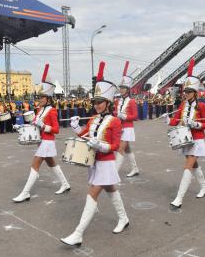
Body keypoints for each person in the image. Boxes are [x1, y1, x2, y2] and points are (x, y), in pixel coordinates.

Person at [62, 62, 129, 246]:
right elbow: (84, 135)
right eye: (95, 102)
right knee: (111, 190)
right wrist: (76, 126)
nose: (97, 105)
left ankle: (78, 233)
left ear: (108, 102)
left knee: (92, 194)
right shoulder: (92, 119)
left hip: (106, 162)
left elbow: (115, 146)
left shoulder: (115, 121)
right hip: (94, 162)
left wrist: (100, 145)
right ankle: (123, 218)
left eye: (100, 102)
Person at [13, 64, 70, 202]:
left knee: (35, 165)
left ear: (48, 98)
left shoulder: (52, 111)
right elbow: (35, 125)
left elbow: (56, 129)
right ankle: (65, 184)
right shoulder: (40, 110)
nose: (39, 98)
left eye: (42, 96)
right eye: (39, 96)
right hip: (42, 141)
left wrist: (44, 125)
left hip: (47, 142)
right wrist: (21, 127)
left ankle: (26, 192)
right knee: (52, 164)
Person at [162, 59, 205, 208]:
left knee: (187, 166)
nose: (186, 94)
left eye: (189, 92)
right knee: (194, 164)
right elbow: (176, 120)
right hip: (185, 139)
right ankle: (204, 188)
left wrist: (196, 124)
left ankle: (179, 198)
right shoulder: (182, 104)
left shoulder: (201, 105)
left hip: (197, 139)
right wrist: (168, 120)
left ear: (195, 92)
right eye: (185, 91)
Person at [114, 62, 140, 177]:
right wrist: (115, 114)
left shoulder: (132, 101)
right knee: (127, 149)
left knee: (120, 149)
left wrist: (125, 116)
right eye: (121, 87)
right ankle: (135, 168)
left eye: (124, 88)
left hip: (127, 128)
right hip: (120, 127)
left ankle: (113, 173)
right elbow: (115, 113)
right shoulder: (118, 101)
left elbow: (135, 116)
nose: (122, 90)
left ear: (128, 89)